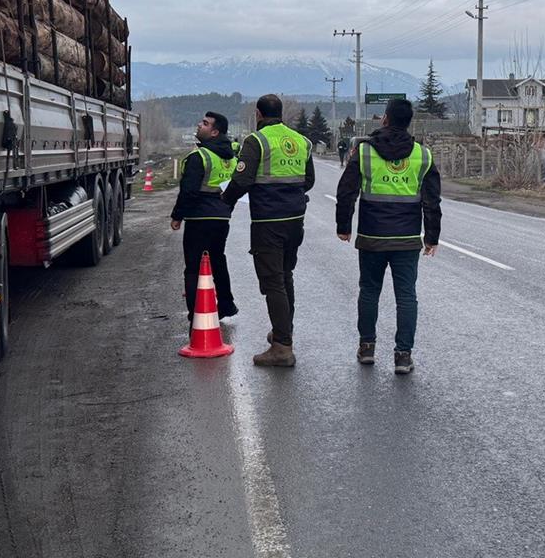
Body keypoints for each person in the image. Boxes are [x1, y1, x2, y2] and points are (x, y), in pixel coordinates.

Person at [335, 98, 441, 375]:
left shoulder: (364, 152)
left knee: (369, 291)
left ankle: (367, 347)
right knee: (406, 296)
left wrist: (343, 225)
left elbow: (346, 191)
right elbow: (432, 201)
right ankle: (403, 356)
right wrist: (431, 237)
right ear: (409, 123)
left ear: (384, 119)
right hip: (407, 239)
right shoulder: (423, 155)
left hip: (371, 236)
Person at [222, 95, 315, 367]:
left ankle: (282, 347)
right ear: (281, 113)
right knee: (285, 276)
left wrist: (225, 201)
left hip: (268, 222)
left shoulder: (256, 141)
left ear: (258, 114)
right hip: (295, 220)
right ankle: (284, 331)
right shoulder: (301, 141)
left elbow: (241, 181)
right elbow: (308, 180)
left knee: (273, 281)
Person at [171, 112, 238, 334]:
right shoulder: (231, 158)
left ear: (215, 132)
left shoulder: (199, 157)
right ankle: (226, 304)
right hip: (222, 218)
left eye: (205, 123)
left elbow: (188, 191)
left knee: (193, 268)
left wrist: (177, 216)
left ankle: (195, 315)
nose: (199, 125)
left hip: (199, 219)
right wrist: (226, 209)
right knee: (218, 260)